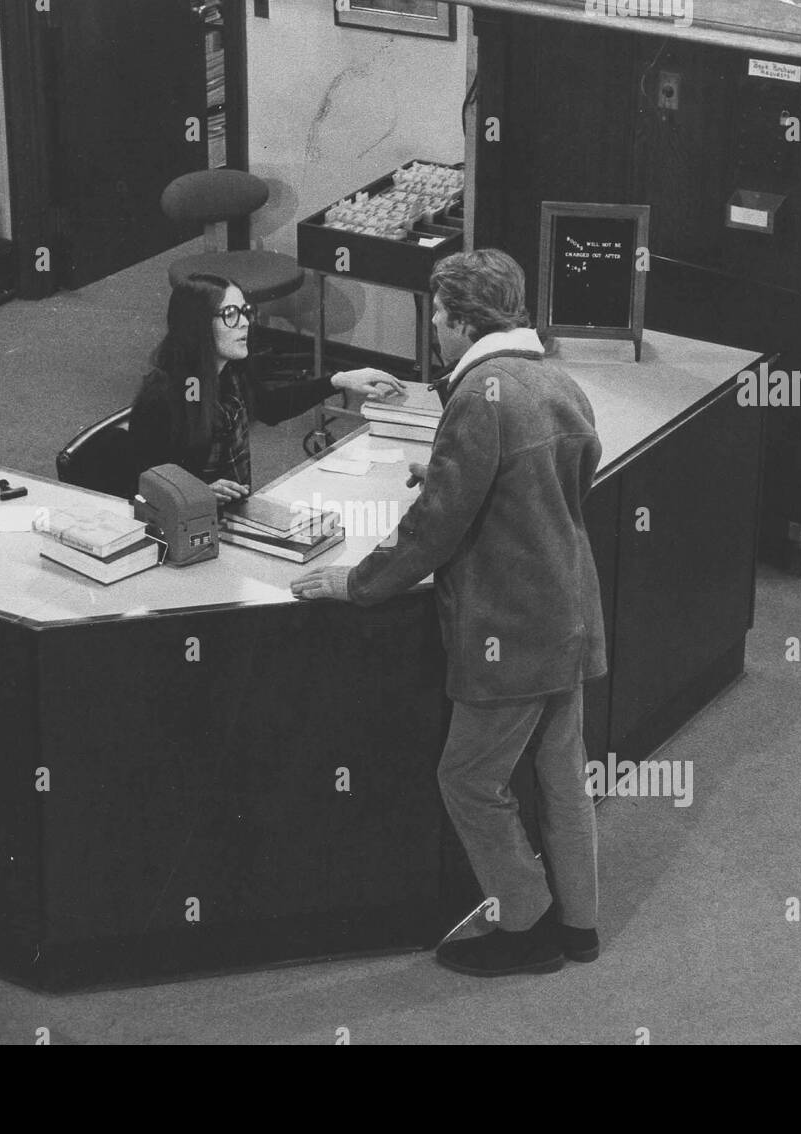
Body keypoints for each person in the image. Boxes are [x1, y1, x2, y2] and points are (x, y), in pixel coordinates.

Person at [291, 249, 607, 977]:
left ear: (465, 322)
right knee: (562, 775)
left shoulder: (478, 397)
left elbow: (434, 529)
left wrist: (358, 584)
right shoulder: (557, 378)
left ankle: (525, 923)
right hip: (568, 612)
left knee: (468, 779)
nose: (433, 329)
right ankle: (580, 925)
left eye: (438, 315)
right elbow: (560, 481)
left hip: (512, 629)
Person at [79, 273, 403, 502]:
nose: (246, 322)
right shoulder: (163, 397)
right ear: (198, 326)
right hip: (195, 519)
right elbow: (152, 484)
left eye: (245, 311)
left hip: (234, 507)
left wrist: (340, 379)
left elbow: (270, 407)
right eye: (231, 314)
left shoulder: (231, 368)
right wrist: (203, 491)